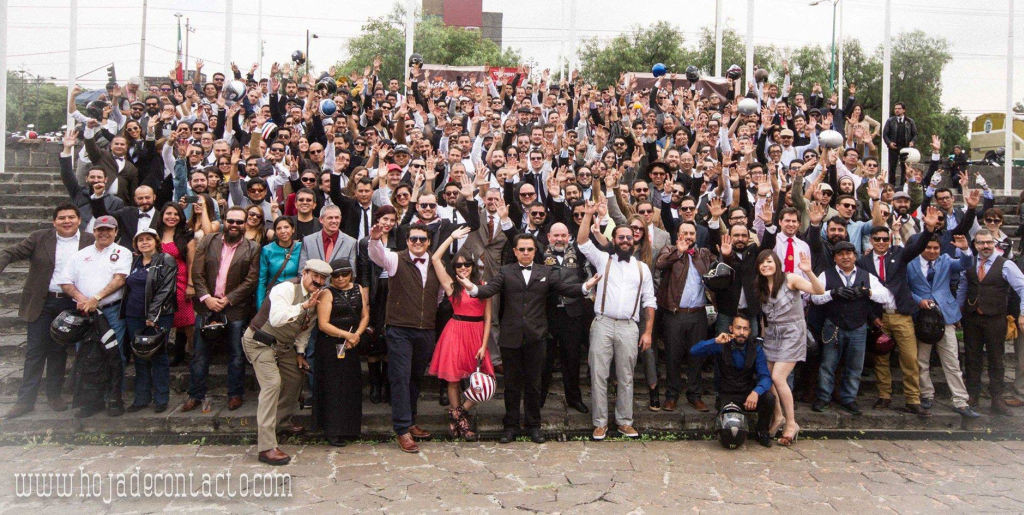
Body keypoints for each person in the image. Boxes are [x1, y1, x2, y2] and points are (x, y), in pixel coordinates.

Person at [464, 234, 599, 445]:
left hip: (537, 336)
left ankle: (534, 426)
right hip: (511, 337)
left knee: (534, 384)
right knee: (511, 385)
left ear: (535, 252)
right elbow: (488, 290)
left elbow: (565, 289)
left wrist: (585, 286)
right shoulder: (506, 271)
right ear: (515, 251)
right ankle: (510, 426)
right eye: (522, 249)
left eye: (530, 249)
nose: (526, 253)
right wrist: (471, 288)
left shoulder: (546, 272)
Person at [0, 204, 94, 419]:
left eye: (71, 217)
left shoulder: (88, 240)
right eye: (62, 218)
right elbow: (10, 252)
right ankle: (25, 400)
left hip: (70, 303)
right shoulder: (39, 237)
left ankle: (54, 395)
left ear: (79, 220)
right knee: (35, 351)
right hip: (42, 302)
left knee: (58, 351)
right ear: (54, 222)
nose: (67, 221)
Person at [577, 205, 656, 441]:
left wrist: (648, 332)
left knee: (626, 376)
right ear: (613, 239)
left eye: (628, 238)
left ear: (634, 241)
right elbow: (582, 242)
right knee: (599, 374)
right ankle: (600, 423)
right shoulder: (603, 260)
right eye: (621, 237)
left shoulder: (642, 269)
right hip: (602, 323)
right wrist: (589, 214)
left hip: (629, 328)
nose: (625, 240)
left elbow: (649, 301)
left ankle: (624, 422)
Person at [242, 259, 331, 465]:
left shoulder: (315, 299)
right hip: (259, 342)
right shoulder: (286, 289)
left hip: (284, 346)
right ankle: (266, 447)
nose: (317, 282)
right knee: (272, 384)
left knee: (295, 376)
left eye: (322, 279)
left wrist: (300, 353)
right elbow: (277, 319)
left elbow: (305, 330)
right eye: (314, 276)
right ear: (305, 273)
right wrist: (303, 306)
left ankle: (280, 422)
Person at [368, 222, 442, 453]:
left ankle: (410, 420)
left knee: (415, 377)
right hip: (399, 328)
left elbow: (438, 295)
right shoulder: (395, 259)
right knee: (400, 377)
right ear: (407, 241)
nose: (417, 243)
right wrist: (374, 239)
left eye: (422, 239)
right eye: (413, 239)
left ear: (429, 242)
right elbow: (377, 255)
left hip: (426, 329)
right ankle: (402, 430)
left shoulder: (435, 263)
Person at [858, 208, 938, 416]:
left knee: (910, 359)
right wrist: (872, 317)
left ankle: (913, 399)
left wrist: (928, 230)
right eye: (877, 239)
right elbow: (862, 293)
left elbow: (918, 247)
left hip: (901, 315)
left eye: (885, 238)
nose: (882, 242)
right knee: (881, 359)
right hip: (880, 317)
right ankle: (884, 396)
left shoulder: (899, 254)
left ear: (890, 239)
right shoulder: (863, 262)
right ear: (871, 240)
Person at [186, 206, 261, 413]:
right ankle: (195, 394)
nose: (235, 225)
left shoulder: (252, 248)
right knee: (200, 354)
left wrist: (228, 299)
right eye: (231, 221)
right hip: (206, 306)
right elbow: (197, 273)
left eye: (239, 222)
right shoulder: (208, 241)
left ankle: (235, 394)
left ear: (245, 224)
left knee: (236, 355)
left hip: (234, 308)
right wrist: (206, 298)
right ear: (225, 221)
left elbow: (251, 280)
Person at [56, 215, 131, 417]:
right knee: (86, 356)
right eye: (100, 230)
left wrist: (96, 298)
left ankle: (114, 398)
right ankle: (90, 401)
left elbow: (119, 279)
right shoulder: (80, 254)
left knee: (115, 355)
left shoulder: (122, 252)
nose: (104, 233)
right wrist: (82, 299)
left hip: (111, 310)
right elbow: (65, 281)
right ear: (94, 231)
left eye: (109, 230)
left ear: (116, 232)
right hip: (85, 313)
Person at [810, 241, 894, 415]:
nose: (845, 257)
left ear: (855, 256)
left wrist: (867, 292)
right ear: (834, 257)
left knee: (855, 366)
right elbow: (814, 297)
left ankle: (849, 398)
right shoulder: (827, 274)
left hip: (858, 327)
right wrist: (833, 293)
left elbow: (885, 296)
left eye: (849, 253)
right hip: (833, 326)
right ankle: (823, 397)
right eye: (840, 254)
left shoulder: (866, 275)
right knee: (828, 364)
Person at [753, 248, 824, 446]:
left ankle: (791, 423)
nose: (766, 265)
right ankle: (778, 417)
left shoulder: (790, 279)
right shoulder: (761, 286)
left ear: (776, 263)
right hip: (772, 334)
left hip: (793, 333)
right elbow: (765, 318)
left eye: (769, 261)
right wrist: (762, 337)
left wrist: (808, 271)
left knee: (778, 377)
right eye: (762, 263)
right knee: (768, 377)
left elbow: (818, 291)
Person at [429, 226, 494, 440]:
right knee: (454, 379)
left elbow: (487, 319)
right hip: (455, 332)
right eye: (458, 265)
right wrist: (451, 237)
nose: (463, 267)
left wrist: (484, 345)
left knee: (485, 380)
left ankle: (459, 413)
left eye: (467, 264)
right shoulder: (451, 286)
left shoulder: (483, 287)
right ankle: (461, 423)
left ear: (473, 266)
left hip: (476, 334)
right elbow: (436, 260)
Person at [908, 234, 979, 418]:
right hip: (922, 317)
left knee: (952, 361)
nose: (932, 251)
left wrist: (964, 250)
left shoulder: (946, 260)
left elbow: (965, 264)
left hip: (945, 317)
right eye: (928, 247)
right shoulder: (910, 263)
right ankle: (926, 394)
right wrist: (918, 300)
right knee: (921, 361)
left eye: (936, 248)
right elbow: (905, 288)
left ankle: (960, 401)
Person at [957, 229, 1024, 415]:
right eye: (981, 243)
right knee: (972, 358)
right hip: (972, 319)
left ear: (994, 243)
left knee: (996, 359)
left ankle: (997, 399)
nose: (985, 246)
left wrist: (1022, 313)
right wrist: (957, 312)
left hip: (995, 319)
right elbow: (963, 288)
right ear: (975, 245)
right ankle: (973, 396)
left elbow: (1022, 287)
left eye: (988, 242)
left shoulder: (1006, 265)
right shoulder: (969, 263)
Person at [655, 221, 718, 413]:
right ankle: (672, 396)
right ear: (677, 234)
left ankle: (695, 395)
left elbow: (719, 264)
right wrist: (679, 252)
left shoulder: (703, 254)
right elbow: (660, 264)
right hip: (675, 314)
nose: (688, 236)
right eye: (685, 233)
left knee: (696, 356)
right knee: (673, 356)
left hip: (698, 314)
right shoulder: (669, 250)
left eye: (691, 233)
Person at [689, 315, 775, 448]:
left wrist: (756, 392)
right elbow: (694, 351)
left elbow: (765, 377)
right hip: (727, 394)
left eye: (745, 329)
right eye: (738, 328)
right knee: (729, 435)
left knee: (769, 398)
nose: (741, 332)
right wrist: (715, 341)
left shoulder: (756, 348)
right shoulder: (721, 344)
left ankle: (762, 431)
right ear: (731, 328)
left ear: (750, 331)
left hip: (747, 393)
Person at [119, 229, 177, 413]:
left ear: (156, 241)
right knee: (139, 356)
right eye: (140, 240)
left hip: (158, 316)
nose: (144, 242)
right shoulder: (134, 262)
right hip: (133, 314)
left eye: (148, 239)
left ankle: (161, 398)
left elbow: (166, 290)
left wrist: (153, 315)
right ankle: (141, 397)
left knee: (159, 355)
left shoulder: (165, 260)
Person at [314, 258, 370, 447]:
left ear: (351, 274)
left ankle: (350, 428)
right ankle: (333, 430)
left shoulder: (359, 289)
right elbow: (323, 324)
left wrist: (357, 335)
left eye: (344, 274)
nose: (340, 278)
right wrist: (347, 335)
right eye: (335, 275)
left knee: (351, 386)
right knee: (333, 388)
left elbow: (365, 315)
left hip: (351, 345)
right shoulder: (327, 293)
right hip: (331, 344)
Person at [357, 206, 398, 404]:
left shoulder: (398, 239)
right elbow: (364, 273)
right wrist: (365, 302)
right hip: (375, 292)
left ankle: (388, 384)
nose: (388, 224)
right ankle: (375, 385)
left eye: (392, 220)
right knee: (374, 339)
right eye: (385, 219)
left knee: (389, 339)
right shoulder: (366, 241)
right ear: (377, 219)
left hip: (393, 291)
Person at [152, 202, 196, 366]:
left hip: (180, 279)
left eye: (176, 214)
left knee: (186, 319)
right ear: (162, 216)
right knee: (161, 318)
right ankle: (160, 353)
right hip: (159, 281)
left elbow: (192, 262)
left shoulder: (186, 235)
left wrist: (191, 284)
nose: (172, 217)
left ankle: (187, 352)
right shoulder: (155, 234)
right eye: (168, 214)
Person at [257, 216, 303, 306]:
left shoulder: (301, 247)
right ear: (275, 232)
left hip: (295, 297)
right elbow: (262, 281)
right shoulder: (267, 250)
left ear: (293, 229)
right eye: (279, 228)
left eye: (286, 227)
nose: (283, 231)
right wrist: (260, 306)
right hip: (274, 297)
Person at [881, 102, 917, 187]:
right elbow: (885, 134)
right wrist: (889, 143)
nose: (897, 110)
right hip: (893, 148)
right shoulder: (890, 121)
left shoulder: (910, 121)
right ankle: (891, 186)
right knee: (892, 168)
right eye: (895, 108)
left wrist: (912, 142)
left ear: (904, 110)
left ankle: (903, 185)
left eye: (899, 108)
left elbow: (915, 134)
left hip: (905, 148)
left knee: (905, 168)